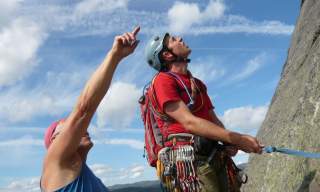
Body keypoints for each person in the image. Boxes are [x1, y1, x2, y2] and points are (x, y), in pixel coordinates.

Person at [144, 33, 264, 192]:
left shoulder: (197, 83)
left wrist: (231, 143)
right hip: (190, 161)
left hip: (212, 153)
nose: (180, 38)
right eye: (173, 40)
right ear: (166, 54)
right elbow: (189, 122)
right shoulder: (162, 81)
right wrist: (239, 139)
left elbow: (213, 119)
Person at [40, 26, 140, 192]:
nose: (82, 128)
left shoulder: (84, 176)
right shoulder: (56, 161)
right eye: (67, 124)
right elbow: (83, 110)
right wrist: (115, 56)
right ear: (54, 142)